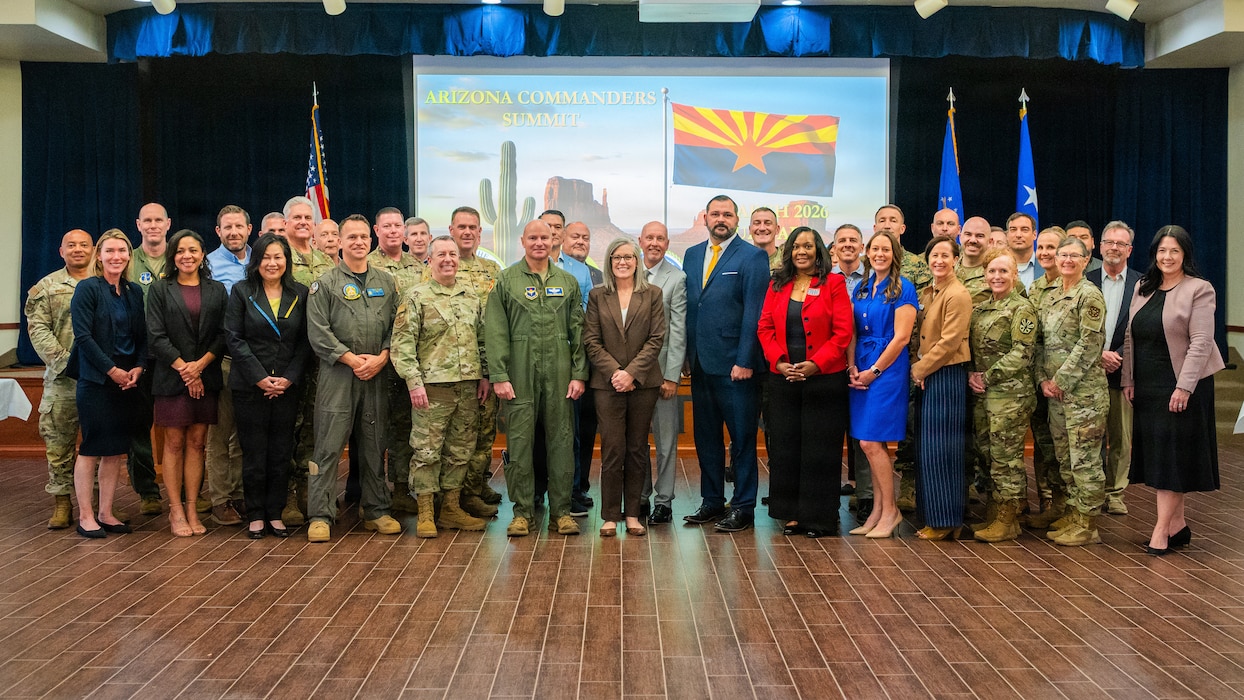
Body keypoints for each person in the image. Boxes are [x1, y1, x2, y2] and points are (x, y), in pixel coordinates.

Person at [1122, 225, 1225, 555]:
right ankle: (1177, 525)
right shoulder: (1143, 286)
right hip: (1148, 386)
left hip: (1182, 385)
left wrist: (1184, 388)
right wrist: (1128, 379)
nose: (1167, 257)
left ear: (1185, 255)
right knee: (1160, 458)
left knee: (1170, 459)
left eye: (1174, 251)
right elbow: (1129, 337)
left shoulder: (1200, 289)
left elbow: (1201, 342)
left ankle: (1161, 530)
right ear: (1154, 254)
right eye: (1161, 251)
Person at [485, 219, 588, 537]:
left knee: (561, 441)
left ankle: (562, 511)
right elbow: (496, 330)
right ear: (523, 240)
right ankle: (522, 512)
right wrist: (499, 375)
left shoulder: (567, 282)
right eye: (533, 237)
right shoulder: (506, 281)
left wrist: (579, 373)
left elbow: (578, 331)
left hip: (558, 373)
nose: (539, 242)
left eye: (545, 237)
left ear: (553, 239)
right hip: (519, 372)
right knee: (519, 443)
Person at [305, 214, 401, 543]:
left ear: (370, 241)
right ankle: (320, 514)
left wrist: (382, 358)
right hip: (337, 376)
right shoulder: (325, 283)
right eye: (352, 237)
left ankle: (376, 509)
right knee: (328, 447)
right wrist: (348, 358)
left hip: (375, 373)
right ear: (340, 243)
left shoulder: (386, 282)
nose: (359, 242)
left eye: (363, 237)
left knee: (374, 445)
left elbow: (395, 328)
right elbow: (318, 333)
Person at [682, 194, 770, 533]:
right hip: (702, 364)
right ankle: (712, 501)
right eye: (715, 213)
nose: (721, 219)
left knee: (743, 439)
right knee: (706, 438)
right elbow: (693, 307)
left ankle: (744, 506)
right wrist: (689, 355)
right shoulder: (691, 255)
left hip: (737, 367)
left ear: (736, 220)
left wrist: (746, 359)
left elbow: (755, 312)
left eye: (728, 214)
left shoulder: (752, 256)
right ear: (705, 217)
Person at [391, 236, 489, 538]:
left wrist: (484, 375)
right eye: (441, 254)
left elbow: (482, 339)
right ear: (429, 260)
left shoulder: (471, 295)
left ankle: (450, 508)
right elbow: (402, 343)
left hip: (468, 386)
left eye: (453, 254)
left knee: (460, 450)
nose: (448, 259)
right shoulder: (416, 296)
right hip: (431, 389)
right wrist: (413, 381)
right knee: (426, 451)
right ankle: (425, 511)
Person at [757, 227, 852, 538]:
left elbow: (842, 333)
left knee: (820, 449)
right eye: (796, 246)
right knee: (786, 448)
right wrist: (780, 363)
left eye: (808, 246)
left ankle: (822, 517)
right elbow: (764, 327)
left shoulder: (834, 283)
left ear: (818, 250)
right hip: (784, 379)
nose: (801, 251)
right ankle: (793, 514)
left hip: (824, 381)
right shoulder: (777, 284)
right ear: (789, 251)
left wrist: (815, 365)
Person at [224, 234, 311, 539]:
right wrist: (260, 377)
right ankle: (256, 514)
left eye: (278, 257)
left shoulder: (300, 293)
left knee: (280, 452)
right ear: (256, 261)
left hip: (287, 386)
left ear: (287, 261)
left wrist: (288, 377)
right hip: (250, 387)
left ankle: (275, 513)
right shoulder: (241, 291)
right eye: (266, 257)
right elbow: (234, 338)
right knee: (254, 453)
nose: (272, 263)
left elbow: (304, 342)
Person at [147, 229, 228, 537]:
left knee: (197, 444)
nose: (187, 256)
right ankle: (176, 510)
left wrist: (200, 367)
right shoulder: (159, 289)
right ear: (173, 256)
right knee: (175, 443)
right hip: (171, 378)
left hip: (206, 377)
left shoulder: (217, 290)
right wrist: (185, 370)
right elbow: (156, 336)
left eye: (193, 250)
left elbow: (223, 335)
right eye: (181, 251)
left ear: (202, 254)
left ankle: (193, 508)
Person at [584, 238, 666, 537]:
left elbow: (657, 338)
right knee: (612, 449)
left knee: (636, 450)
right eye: (617, 257)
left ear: (637, 261)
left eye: (629, 257)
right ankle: (609, 515)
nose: (623, 262)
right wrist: (616, 373)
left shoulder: (653, 294)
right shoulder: (597, 296)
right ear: (609, 261)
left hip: (643, 384)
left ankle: (632, 514)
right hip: (607, 386)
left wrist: (631, 373)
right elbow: (591, 341)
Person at [69, 230, 148, 538]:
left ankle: (106, 512)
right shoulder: (88, 289)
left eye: (122, 251)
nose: (117, 256)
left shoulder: (132, 292)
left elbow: (142, 337)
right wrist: (112, 370)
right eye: (110, 251)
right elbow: (84, 337)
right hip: (96, 381)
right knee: (92, 448)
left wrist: (139, 367)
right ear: (98, 256)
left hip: (128, 383)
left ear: (129, 255)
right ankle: (86, 515)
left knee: (115, 450)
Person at [1036, 236, 1109, 546]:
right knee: (1066, 458)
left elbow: (1089, 344)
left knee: (1086, 461)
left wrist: (1061, 381)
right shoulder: (1051, 295)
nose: (1066, 260)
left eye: (1073, 256)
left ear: (1085, 260)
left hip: (1084, 396)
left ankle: (1089, 524)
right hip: (1055, 394)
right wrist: (1043, 379)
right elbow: (1040, 341)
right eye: (1062, 254)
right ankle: (1074, 512)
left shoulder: (1089, 296)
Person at [846, 230, 917, 539]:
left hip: (886, 370)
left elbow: (902, 337)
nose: (880, 254)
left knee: (872, 443)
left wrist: (874, 371)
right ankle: (877, 510)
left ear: (894, 253)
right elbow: (851, 331)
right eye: (875, 248)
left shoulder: (903, 288)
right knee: (866, 442)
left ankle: (891, 511)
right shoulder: (862, 287)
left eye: (886, 249)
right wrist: (851, 366)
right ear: (868, 252)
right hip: (860, 365)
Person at [26, 229, 95, 528]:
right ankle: (62, 503)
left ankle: (92, 505)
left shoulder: (106, 282)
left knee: (98, 445)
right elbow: (38, 330)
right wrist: (67, 363)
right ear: (61, 251)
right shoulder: (48, 286)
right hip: (63, 379)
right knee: (59, 444)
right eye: (71, 245)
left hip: (99, 380)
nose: (78, 250)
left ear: (93, 249)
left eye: (84, 245)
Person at [968, 249, 1037, 542]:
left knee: (1006, 458)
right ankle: (996, 512)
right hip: (983, 395)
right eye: (992, 271)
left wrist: (987, 376)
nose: (997, 277)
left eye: (1003, 271)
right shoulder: (981, 309)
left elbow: (1022, 353)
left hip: (1010, 396)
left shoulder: (1022, 309)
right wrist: (973, 373)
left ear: (1015, 274)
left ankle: (1008, 520)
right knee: (987, 454)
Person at [908, 236, 972, 540]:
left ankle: (946, 520)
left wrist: (919, 369)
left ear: (956, 259)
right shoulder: (929, 292)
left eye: (946, 255)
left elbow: (949, 342)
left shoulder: (957, 293)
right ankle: (935, 516)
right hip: (930, 375)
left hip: (946, 376)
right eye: (934, 255)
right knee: (929, 450)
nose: (939, 261)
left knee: (943, 451)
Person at [446, 207, 504, 518]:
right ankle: (456, 496)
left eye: (473, 227)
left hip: (486, 364)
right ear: (451, 229)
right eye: (462, 227)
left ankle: (476, 485)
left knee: (484, 431)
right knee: (457, 436)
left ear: (480, 233)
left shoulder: (492, 271)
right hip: (450, 368)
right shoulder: (440, 266)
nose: (467, 232)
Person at [368, 207, 426, 515]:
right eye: (386, 226)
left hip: (406, 361)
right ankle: (373, 491)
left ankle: (402, 489)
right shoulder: (367, 264)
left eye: (397, 226)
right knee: (374, 429)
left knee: (404, 427)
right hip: (374, 358)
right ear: (376, 231)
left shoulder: (418, 267)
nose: (392, 231)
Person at [874, 205, 929, 513]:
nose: (888, 224)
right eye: (882, 220)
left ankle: (908, 487)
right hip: (880, 358)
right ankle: (875, 493)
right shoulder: (872, 269)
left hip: (911, 355)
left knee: (912, 425)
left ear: (903, 228)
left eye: (893, 220)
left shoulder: (918, 267)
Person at [1086, 221, 1142, 515]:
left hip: (1123, 371)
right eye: (1109, 242)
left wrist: (1116, 355)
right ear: (1099, 246)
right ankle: (1092, 492)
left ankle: (1115, 492)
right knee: (1091, 437)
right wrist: (1099, 355)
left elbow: (1141, 328)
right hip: (1087, 372)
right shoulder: (1086, 279)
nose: (1114, 248)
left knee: (1120, 438)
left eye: (1121, 244)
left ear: (1129, 250)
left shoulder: (1142, 284)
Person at [287, 197, 337, 525]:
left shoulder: (326, 262)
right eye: (298, 217)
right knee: (289, 427)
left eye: (309, 217)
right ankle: (287, 495)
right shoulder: (279, 257)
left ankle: (310, 492)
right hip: (290, 356)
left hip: (322, 361)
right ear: (286, 220)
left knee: (314, 429)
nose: (304, 222)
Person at [203, 205, 252, 528]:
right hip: (222, 359)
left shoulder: (260, 260)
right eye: (227, 227)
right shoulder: (207, 265)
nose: (234, 232)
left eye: (239, 226)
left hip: (257, 360)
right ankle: (221, 499)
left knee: (247, 433)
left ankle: (241, 494)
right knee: (220, 434)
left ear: (250, 229)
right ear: (218, 231)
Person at [637, 222, 687, 525]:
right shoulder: (625, 272)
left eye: (660, 238)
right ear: (640, 241)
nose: (654, 243)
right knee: (635, 440)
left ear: (667, 243)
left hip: (661, 374)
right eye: (649, 238)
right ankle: (639, 497)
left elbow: (678, 331)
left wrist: (672, 376)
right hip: (631, 376)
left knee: (666, 442)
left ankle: (664, 501)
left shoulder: (676, 278)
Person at [125, 203, 169, 515]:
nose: (153, 225)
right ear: (138, 225)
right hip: (137, 355)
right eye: (147, 221)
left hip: (173, 357)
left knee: (182, 425)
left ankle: (183, 489)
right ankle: (148, 491)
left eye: (158, 220)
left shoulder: (182, 255)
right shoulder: (127, 260)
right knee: (138, 425)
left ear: (168, 224)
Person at [1023, 227, 1068, 527]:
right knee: (1044, 444)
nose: (1045, 253)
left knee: (1065, 447)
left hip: (1066, 384)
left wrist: (1057, 379)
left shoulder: (1076, 288)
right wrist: (1039, 378)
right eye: (1041, 248)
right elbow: (1034, 339)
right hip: (1038, 380)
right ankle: (1051, 503)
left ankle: (1069, 508)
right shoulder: (1036, 289)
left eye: (1052, 248)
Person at [831, 223, 870, 519]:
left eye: (852, 240)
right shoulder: (824, 280)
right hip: (832, 365)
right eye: (841, 240)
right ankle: (827, 493)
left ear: (862, 246)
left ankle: (865, 495)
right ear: (833, 248)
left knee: (862, 433)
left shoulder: (874, 279)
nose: (847, 244)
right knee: (831, 432)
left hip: (865, 366)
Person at [1005, 213, 1040, 290]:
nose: (1018, 235)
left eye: (1024, 230)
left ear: (1034, 234)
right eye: (1013, 230)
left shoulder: (1045, 266)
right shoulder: (995, 266)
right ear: (1007, 235)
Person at [749, 207, 782, 272]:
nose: (762, 228)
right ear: (750, 230)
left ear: (777, 229)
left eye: (768, 223)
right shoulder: (740, 260)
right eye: (757, 223)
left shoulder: (788, 261)